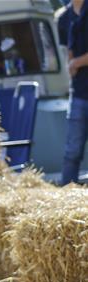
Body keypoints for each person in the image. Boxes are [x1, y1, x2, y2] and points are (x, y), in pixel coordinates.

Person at [62, 0, 88, 185]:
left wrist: (76, 63)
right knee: (72, 151)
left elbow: (72, 62)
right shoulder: (63, 18)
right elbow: (68, 53)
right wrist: (71, 64)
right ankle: (67, 195)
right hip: (78, 93)